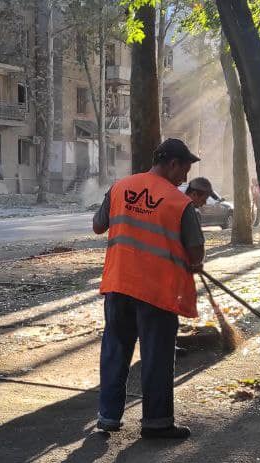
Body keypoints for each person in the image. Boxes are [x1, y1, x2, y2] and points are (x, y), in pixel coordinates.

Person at [92, 138, 204, 440]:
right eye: (184, 170)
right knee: (156, 357)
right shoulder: (180, 203)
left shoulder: (119, 188)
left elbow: (98, 225)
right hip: (157, 292)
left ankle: (108, 418)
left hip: (119, 285)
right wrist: (192, 263)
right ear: (172, 164)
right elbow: (196, 253)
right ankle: (156, 423)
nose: (184, 178)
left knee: (115, 351)